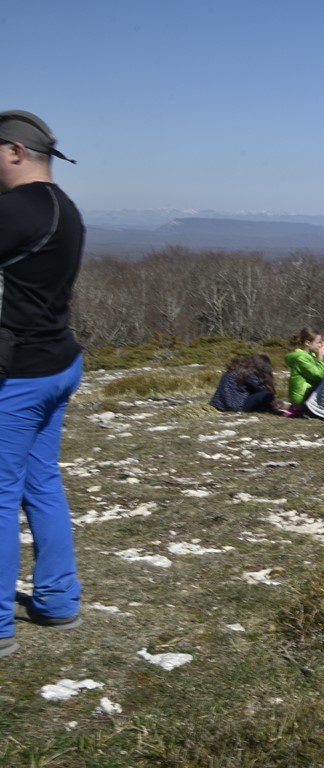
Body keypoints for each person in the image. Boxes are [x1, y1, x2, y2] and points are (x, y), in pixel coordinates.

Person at [0, 110, 86, 657]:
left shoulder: (13, 210)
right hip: (58, 363)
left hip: (20, 375)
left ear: (12, 151)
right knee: (39, 482)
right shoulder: (67, 209)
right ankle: (57, 600)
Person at [210, 354, 277, 412]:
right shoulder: (249, 372)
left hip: (219, 404)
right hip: (236, 406)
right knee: (266, 394)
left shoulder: (235, 368)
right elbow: (261, 389)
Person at [284, 327, 324, 406]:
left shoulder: (310, 356)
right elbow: (317, 375)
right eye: (318, 342)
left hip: (307, 393)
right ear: (307, 342)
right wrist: (320, 358)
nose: (320, 345)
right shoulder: (301, 358)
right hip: (301, 397)